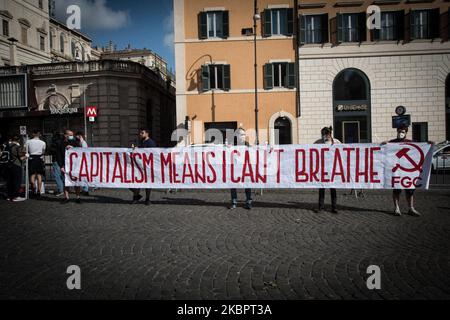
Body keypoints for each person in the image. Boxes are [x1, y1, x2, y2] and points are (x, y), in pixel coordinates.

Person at [383, 126, 433, 217]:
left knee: (410, 191)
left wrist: (428, 143)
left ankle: (411, 208)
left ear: (405, 133)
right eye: (399, 131)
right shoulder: (393, 142)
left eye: (402, 132)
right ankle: (396, 208)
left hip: (409, 172)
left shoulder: (411, 142)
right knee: (397, 190)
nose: (400, 133)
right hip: (397, 171)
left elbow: (421, 147)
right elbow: (385, 148)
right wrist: (385, 143)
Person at [314, 126, 341, 214]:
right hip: (322, 169)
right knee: (322, 189)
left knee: (333, 189)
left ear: (330, 134)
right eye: (323, 134)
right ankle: (320, 207)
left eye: (326, 134)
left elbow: (343, 151)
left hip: (333, 169)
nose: (325, 136)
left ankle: (334, 207)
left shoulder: (336, 142)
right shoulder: (318, 143)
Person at [131, 129, 156, 205]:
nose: (140, 134)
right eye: (140, 133)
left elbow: (152, 153)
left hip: (147, 166)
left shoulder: (151, 143)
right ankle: (136, 196)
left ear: (147, 134)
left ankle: (147, 199)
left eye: (142, 133)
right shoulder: (142, 141)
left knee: (147, 183)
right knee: (135, 182)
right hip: (140, 166)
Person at [229, 128, 252, 210]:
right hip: (235, 168)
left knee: (247, 185)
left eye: (244, 134)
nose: (243, 136)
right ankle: (234, 201)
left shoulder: (247, 144)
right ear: (237, 135)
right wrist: (228, 148)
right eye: (241, 134)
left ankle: (248, 201)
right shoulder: (233, 144)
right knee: (233, 185)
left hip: (245, 168)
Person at [59, 130, 82, 204]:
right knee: (66, 182)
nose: (72, 136)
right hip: (65, 165)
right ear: (65, 135)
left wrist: (73, 148)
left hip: (75, 165)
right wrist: (61, 166)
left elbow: (81, 151)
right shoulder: (61, 143)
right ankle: (66, 197)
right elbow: (59, 155)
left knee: (76, 182)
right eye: (70, 135)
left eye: (72, 135)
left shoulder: (75, 142)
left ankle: (78, 197)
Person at [4, 135, 28, 202]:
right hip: (16, 165)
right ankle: (15, 196)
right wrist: (26, 156)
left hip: (8, 165)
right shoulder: (17, 147)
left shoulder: (7, 146)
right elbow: (21, 157)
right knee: (17, 181)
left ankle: (9, 196)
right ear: (18, 140)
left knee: (9, 181)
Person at [26, 130, 46, 197]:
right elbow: (43, 151)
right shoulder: (43, 142)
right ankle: (39, 191)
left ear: (33, 134)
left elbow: (24, 150)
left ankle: (33, 190)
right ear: (39, 134)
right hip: (39, 158)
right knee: (39, 175)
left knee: (32, 175)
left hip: (31, 158)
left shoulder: (28, 141)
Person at [49, 132, 64, 196]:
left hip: (56, 160)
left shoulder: (54, 143)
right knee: (62, 175)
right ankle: (65, 189)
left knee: (57, 175)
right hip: (63, 160)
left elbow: (51, 151)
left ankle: (60, 190)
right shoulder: (62, 142)